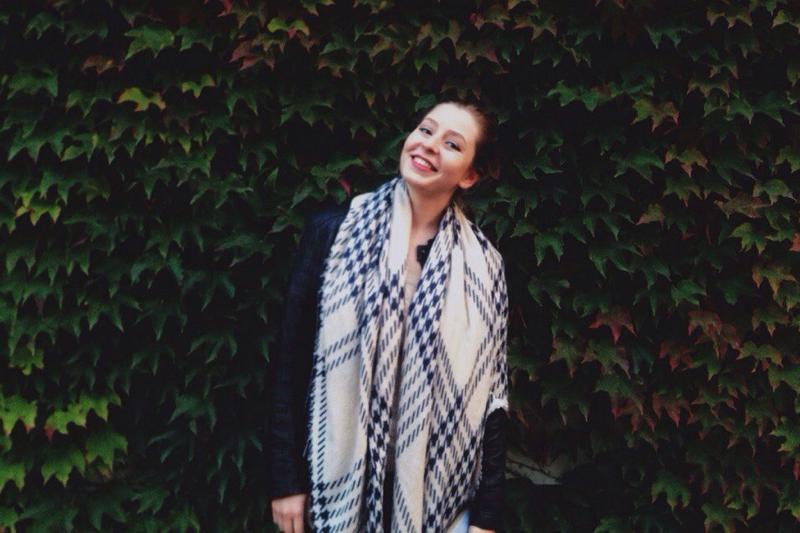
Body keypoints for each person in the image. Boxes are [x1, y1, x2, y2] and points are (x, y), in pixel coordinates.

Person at [268, 100, 510, 533]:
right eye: (426, 130)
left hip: (441, 499)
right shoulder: (333, 233)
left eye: (452, 144)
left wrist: (487, 516)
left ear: (469, 175)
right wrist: (285, 480)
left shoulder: (484, 267)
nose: (429, 145)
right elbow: (290, 360)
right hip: (335, 486)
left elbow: (493, 395)